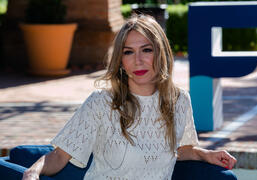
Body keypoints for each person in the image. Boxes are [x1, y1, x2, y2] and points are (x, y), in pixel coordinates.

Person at [22, 14, 237, 180]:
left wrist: (205, 155)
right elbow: (59, 156)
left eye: (146, 50)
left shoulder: (179, 101)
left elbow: (178, 151)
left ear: (160, 53)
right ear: (121, 61)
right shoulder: (101, 103)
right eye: (128, 52)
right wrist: (32, 172)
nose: (138, 61)